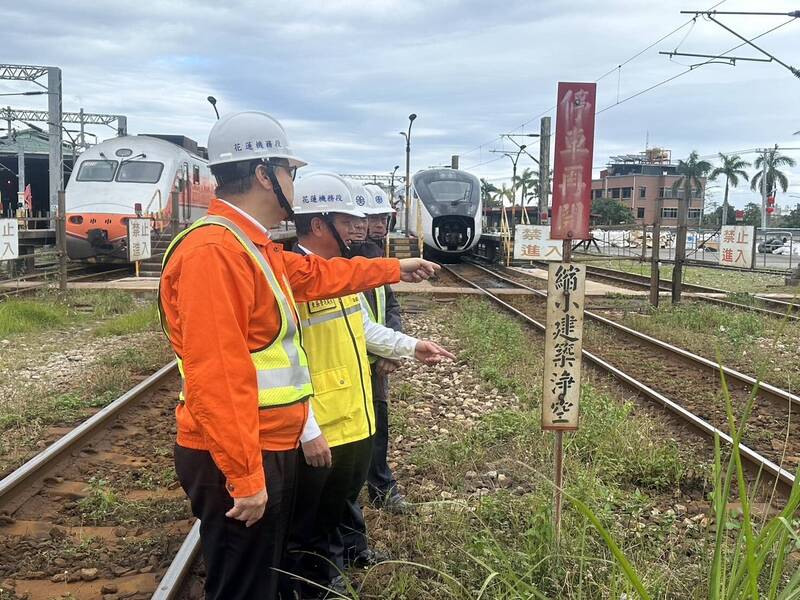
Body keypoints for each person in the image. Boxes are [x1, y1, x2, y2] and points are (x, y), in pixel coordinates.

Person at [158, 111, 441, 600]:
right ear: (266, 174)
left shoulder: (248, 244)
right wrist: (245, 476)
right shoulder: (214, 251)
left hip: (269, 439)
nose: (295, 181)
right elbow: (218, 373)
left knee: (262, 577)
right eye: (290, 171)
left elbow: (317, 276)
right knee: (242, 587)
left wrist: (395, 267)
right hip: (243, 449)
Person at [283, 172, 454, 597]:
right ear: (318, 224)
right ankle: (315, 586)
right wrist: (306, 428)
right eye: (348, 221)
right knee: (309, 523)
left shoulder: (336, 274)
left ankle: (332, 572)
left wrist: (412, 346)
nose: (360, 228)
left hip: (350, 417)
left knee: (336, 507)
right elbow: (277, 362)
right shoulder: (288, 280)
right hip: (317, 425)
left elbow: (364, 328)